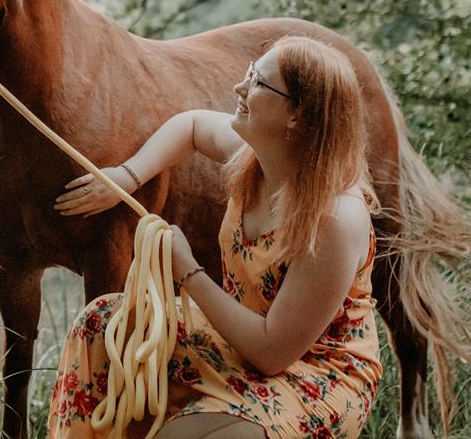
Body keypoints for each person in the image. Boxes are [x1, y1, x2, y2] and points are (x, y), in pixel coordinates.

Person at [49, 36, 382, 439]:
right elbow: (189, 125)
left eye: (259, 82)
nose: (240, 88)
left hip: (317, 373)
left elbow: (272, 352)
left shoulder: (336, 218)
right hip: (238, 341)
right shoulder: (251, 155)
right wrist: (128, 175)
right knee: (101, 323)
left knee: (179, 437)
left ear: (297, 116)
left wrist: (187, 271)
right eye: (250, 74)